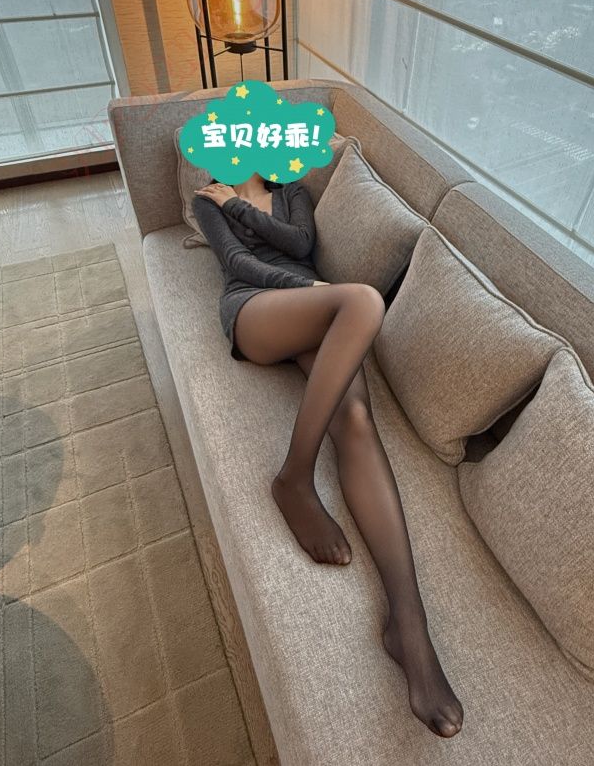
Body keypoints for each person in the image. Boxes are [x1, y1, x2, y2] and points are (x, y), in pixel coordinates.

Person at [192, 173, 464, 739]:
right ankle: (295, 477)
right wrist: (235, 210)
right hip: (256, 309)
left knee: (357, 420)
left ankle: (408, 625)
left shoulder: (291, 190)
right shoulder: (209, 197)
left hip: (320, 309)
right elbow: (238, 263)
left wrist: (252, 214)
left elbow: (300, 243)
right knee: (362, 299)